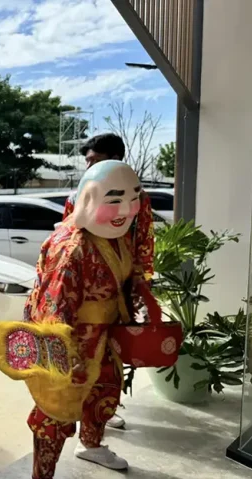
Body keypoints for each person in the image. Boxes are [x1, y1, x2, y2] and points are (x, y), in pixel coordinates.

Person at [0, 160, 153, 479]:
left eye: (134, 197)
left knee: (105, 393)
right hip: (73, 341)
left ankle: (91, 445)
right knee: (56, 409)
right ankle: (40, 477)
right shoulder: (70, 246)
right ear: (91, 198)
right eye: (115, 199)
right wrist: (63, 352)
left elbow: (129, 277)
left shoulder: (120, 236)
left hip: (105, 337)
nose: (127, 209)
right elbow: (54, 304)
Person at [63, 133, 155, 430]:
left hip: (120, 288)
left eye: (94, 160)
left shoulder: (137, 199)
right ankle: (78, 411)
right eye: (87, 161)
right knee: (80, 361)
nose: (88, 166)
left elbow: (144, 241)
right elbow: (68, 237)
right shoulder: (78, 196)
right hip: (85, 295)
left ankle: (102, 412)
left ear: (114, 159)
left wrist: (141, 285)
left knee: (112, 360)